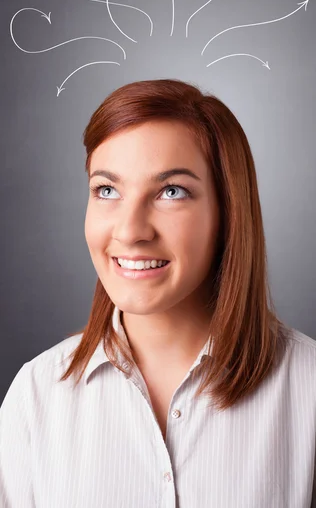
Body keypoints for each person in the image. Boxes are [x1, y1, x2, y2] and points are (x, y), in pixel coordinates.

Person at [0, 78, 315, 508]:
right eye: (106, 189)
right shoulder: (34, 398)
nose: (130, 231)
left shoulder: (308, 390)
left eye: (171, 192)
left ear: (228, 213)